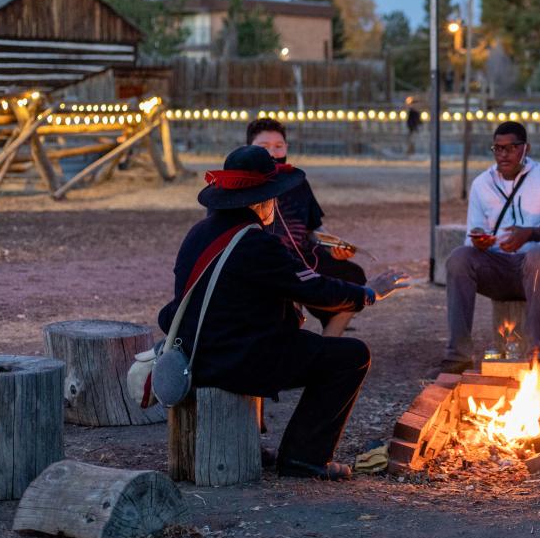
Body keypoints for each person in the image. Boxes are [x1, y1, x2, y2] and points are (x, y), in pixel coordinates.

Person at [158, 146, 409, 480]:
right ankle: (305, 457)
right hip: (234, 361)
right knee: (352, 355)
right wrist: (368, 293)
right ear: (263, 201)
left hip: (199, 354)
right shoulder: (256, 243)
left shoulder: (199, 233)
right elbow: (316, 290)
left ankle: (283, 450)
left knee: (308, 347)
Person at [440, 121, 540, 374]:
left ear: (526, 148)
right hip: (498, 269)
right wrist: (478, 242)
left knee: (538, 257)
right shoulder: (481, 184)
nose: (503, 154)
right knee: (459, 258)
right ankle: (458, 356)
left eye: (511, 148)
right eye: (497, 148)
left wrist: (533, 233)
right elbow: (471, 235)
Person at [247, 117, 366, 338]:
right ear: (249, 150)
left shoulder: (297, 181)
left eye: (278, 146)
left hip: (306, 257)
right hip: (270, 263)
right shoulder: (244, 189)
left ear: (287, 148)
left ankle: (328, 344)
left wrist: (333, 247)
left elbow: (313, 229)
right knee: (285, 302)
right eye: (263, 148)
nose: (272, 153)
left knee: (352, 279)